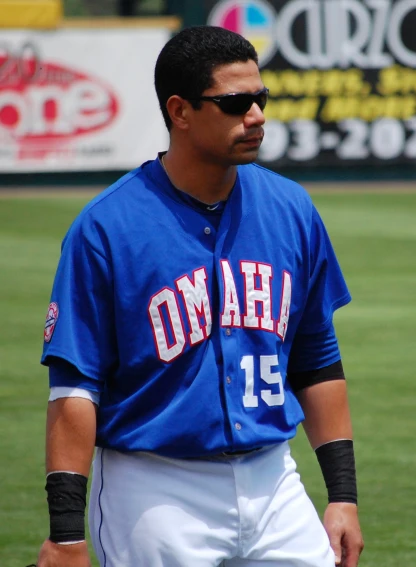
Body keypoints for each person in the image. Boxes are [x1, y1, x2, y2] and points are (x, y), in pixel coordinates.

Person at [34, 25, 363, 567]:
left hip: (273, 478)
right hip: (155, 490)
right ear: (180, 111)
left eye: (260, 98)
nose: (255, 115)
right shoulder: (106, 228)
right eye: (234, 103)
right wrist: (66, 534)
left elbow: (317, 360)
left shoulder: (291, 208)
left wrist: (343, 497)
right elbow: (74, 389)